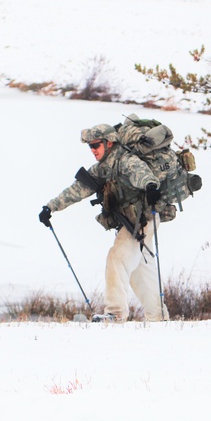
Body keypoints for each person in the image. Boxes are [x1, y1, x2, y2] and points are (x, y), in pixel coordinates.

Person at [39, 124, 167, 322]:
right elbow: (78, 189)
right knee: (140, 271)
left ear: (109, 143)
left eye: (96, 145)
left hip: (143, 219)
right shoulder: (102, 168)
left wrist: (150, 187)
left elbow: (143, 174)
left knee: (117, 257)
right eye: (90, 146)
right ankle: (158, 317)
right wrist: (51, 207)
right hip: (133, 220)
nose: (92, 150)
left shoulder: (126, 161)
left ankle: (115, 314)